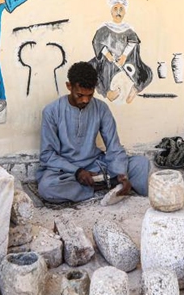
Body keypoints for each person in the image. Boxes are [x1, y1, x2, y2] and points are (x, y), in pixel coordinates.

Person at [37, 62, 149, 203]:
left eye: (90, 95)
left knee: (141, 163)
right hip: (66, 170)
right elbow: (47, 155)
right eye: (80, 95)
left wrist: (122, 174)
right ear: (69, 86)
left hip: (95, 165)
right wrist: (77, 172)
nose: (85, 100)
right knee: (47, 188)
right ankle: (101, 188)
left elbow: (114, 147)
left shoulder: (101, 108)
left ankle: (113, 183)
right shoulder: (51, 111)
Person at [88, 0, 153, 103]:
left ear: (125, 12)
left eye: (121, 9)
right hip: (107, 60)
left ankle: (135, 88)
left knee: (146, 73)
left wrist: (124, 56)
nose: (118, 12)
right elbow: (97, 42)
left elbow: (133, 43)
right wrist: (107, 54)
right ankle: (107, 92)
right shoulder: (104, 28)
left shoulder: (128, 29)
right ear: (111, 11)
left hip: (126, 60)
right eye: (115, 9)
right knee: (92, 70)